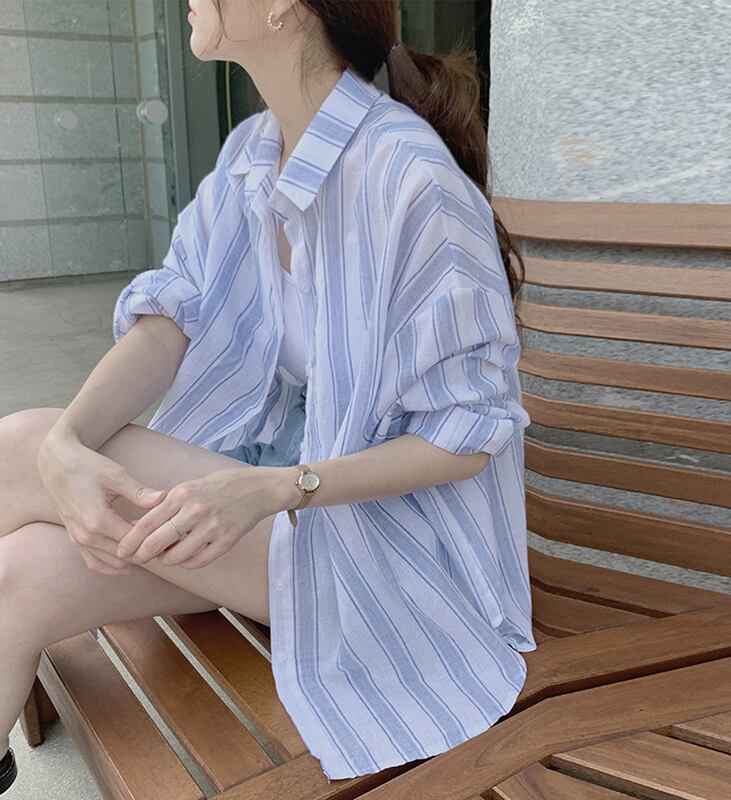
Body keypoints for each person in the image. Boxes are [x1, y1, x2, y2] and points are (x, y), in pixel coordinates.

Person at [0, 0, 535, 788]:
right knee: (18, 576)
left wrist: (276, 488)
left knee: (12, 449)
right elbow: (170, 320)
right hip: (274, 515)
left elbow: (466, 436)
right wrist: (66, 446)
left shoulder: (410, 177)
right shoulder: (255, 152)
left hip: (390, 553)